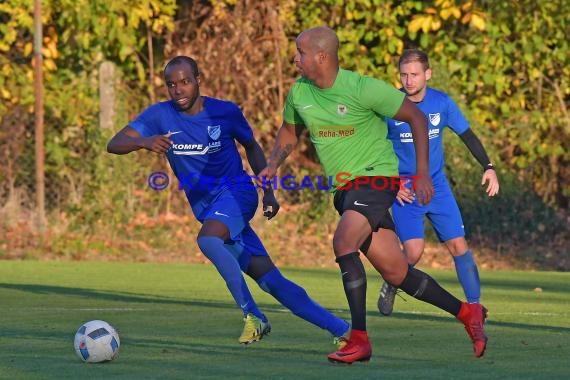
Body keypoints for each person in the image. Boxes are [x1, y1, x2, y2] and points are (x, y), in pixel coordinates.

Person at [257, 26, 487, 364]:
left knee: (344, 242)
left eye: (300, 52)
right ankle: (467, 312)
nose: (295, 58)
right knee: (396, 272)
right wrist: (273, 165)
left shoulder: (363, 88)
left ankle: (359, 339)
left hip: (377, 179)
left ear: (322, 57)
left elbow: (416, 118)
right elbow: (290, 131)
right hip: (344, 190)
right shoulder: (299, 93)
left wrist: (422, 172)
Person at [107, 55, 350, 347]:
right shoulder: (159, 116)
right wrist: (142, 142)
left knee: (208, 241)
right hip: (209, 209)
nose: (178, 90)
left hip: (238, 193)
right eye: (171, 84)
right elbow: (114, 143)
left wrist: (268, 192)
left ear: (198, 80)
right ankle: (343, 330)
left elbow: (252, 146)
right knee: (272, 281)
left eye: (185, 81)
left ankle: (253, 315)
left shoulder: (224, 112)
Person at [377, 49, 500, 316]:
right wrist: (392, 183)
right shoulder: (390, 105)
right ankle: (391, 281)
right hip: (405, 189)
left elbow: (467, 135)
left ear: (427, 74)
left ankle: (475, 308)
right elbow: (375, 148)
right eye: (404, 75)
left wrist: (488, 167)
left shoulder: (442, 103)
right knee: (413, 252)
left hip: (437, 186)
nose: (409, 80)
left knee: (459, 245)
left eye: (415, 74)